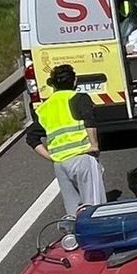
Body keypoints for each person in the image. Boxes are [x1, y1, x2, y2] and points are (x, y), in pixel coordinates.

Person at [26, 64, 105, 217]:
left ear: (53, 85)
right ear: (74, 81)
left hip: (61, 165)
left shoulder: (44, 108)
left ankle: (76, 238)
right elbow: (89, 121)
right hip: (83, 157)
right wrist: (94, 144)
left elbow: (32, 137)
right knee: (96, 208)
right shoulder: (78, 98)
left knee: (73, 212)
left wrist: (51, 157)